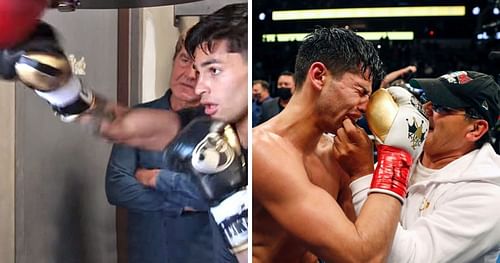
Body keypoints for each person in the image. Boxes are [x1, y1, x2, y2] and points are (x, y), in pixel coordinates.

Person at [252, 27, 428, 262]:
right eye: (359, 91)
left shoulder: (338, 152)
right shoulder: (263, 150)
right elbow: (363, 256)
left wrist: (362, 172)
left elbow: (370, 238)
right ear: (319, 76)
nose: (366, 106)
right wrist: (397, 157)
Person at [347, 70, 500, 262]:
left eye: (441, 107)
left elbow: (407, 259)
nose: (425, 109)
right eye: (427, 99)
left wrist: (362, 174)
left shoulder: (488, 198)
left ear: (475, 129)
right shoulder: (410, 150)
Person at [105, 35, 223, 263]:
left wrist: (154, 177)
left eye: (200, 69)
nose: (189, 75)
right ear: (173, 61)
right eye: (184, 60)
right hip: (148, 251)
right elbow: (116, 186)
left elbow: (212, 194)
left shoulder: (219, 126)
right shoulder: (139, 117)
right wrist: (181, 203)